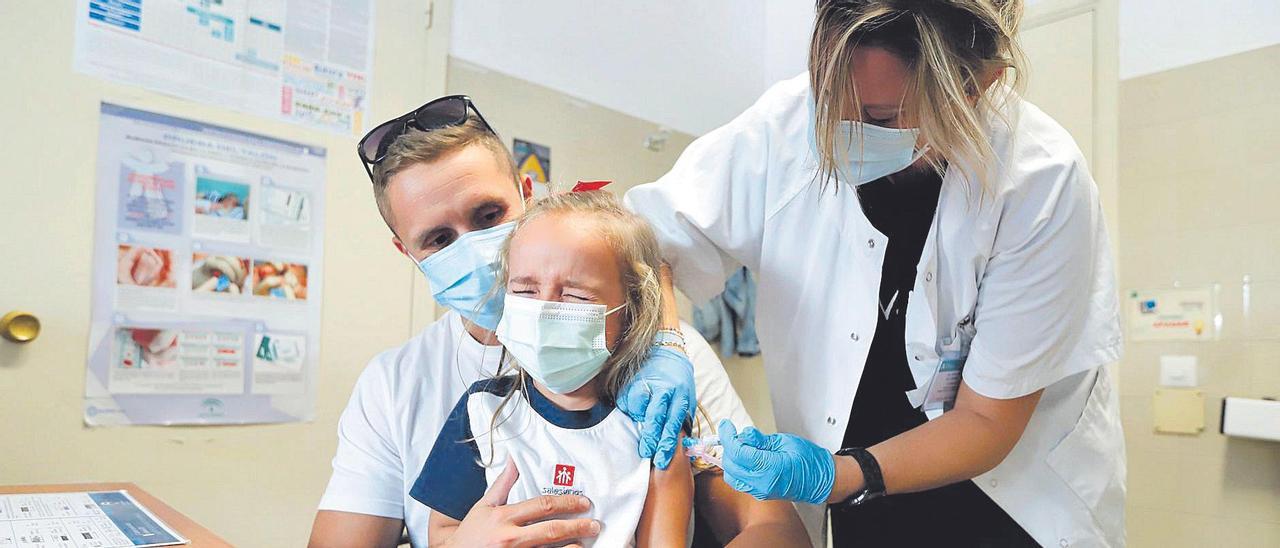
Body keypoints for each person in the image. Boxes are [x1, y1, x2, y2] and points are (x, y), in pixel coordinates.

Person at [625, 1, 1125, 546]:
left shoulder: (1040, 179)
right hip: (858, 507)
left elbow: (985, 422)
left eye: (880, 118)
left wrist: (837, 474)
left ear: (975, 88)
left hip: (1012, 501)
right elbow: (641, 246)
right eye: (828, 100)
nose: (842, 133)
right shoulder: (780, 128)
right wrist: (665, 345)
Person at [308, 96, 806, 547]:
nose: (478, 251)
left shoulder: (664, 359)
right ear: (407, 251)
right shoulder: (396, 387)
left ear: (527, 192)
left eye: (488, 215)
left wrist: (667, 336)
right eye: (439, 239)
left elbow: (774, 528)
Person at [414, 190, 695, 546]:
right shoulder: (482, 412)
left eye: (575, 296)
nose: (544, 310)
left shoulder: (655, 427)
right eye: (525, 291)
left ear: (631, 311)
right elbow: (441, 535)